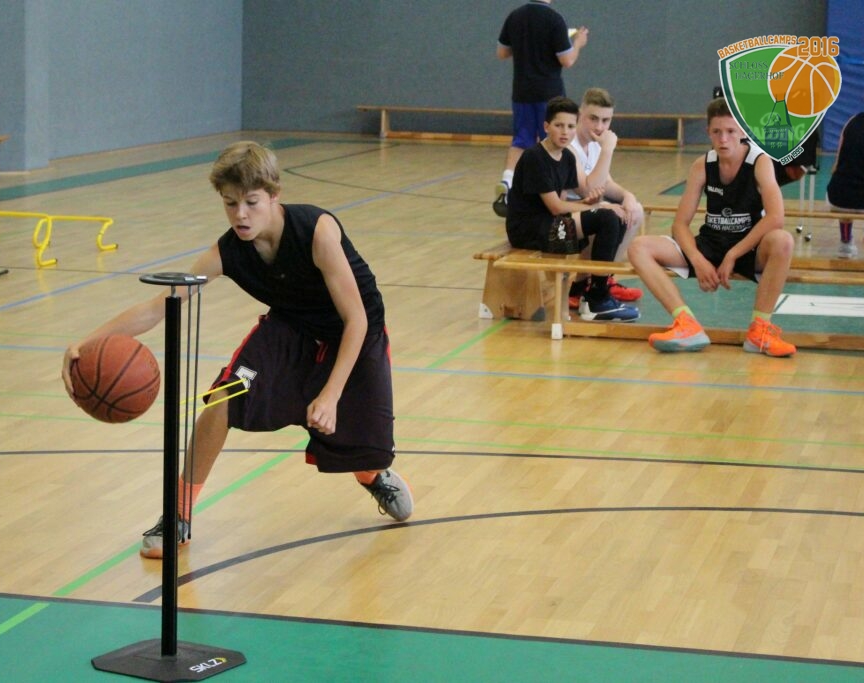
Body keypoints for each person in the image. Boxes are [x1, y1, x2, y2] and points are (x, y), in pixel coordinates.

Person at [62, 141, 413, 560]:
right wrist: (86, 343)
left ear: (274, 196)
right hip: (291, 331)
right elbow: (159, 307)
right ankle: (178, 516)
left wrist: (331, 394)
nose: (240, 215)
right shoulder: (227, 251)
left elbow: (356, 320)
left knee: (361, 444)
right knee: (222, 401)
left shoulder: (317, 231)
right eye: (230, 203)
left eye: (251, 202)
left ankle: (372, 474)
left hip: (355, 334)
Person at [627, 98, 795, 357]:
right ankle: (686, 323)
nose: (723, 139)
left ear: (743, 131)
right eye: (717, 132)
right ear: (708, 133)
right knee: (639, 247)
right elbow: (680, 224)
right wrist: (697, 258)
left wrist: (733, 254)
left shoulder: (760, 162)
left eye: (730, 131)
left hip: (748, 247)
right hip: (710, 244)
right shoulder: (702, 165)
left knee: (783, 240)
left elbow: (776, 218)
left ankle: (760, 330)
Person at [505, 96, 639, 321]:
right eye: (559, 125)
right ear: (546, 127)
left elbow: (577, 193)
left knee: (615, 216)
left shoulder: (566, 156)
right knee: (606, 217)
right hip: (529, 230)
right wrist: (597, 207)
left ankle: (594, 293)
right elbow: (556, 207)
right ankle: (597, 299)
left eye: (569, 126)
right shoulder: (535, 157)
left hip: (550, 224)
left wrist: (592, 203)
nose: (565, 132)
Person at [492, 0, 588, 217]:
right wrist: (578, 43)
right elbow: (567, 60)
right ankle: (556, 195)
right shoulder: (554, 20)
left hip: (522, 91)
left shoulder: (515, 16)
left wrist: (525, 46)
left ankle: (507, 182)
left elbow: (502, 53)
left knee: (521, 140)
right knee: (555, 142)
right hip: (549, 93)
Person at [564, 87, 645, 308]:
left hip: (586, 210)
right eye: (593, 119)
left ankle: (604, 278)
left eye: (605, 120)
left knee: (635, 211)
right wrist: (608, 150)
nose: (599, 127)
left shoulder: (594, 145)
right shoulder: (568, 145)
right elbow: (588, 189)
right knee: (608, 214)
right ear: (580, 114)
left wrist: (627, 196)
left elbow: (606, 183)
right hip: (563, 214)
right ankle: (584, 285)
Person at [825, 77, 864, 256]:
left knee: (846, 186)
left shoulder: (853, 121)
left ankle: (846, 242)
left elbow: (835, 167)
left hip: (837, 198)